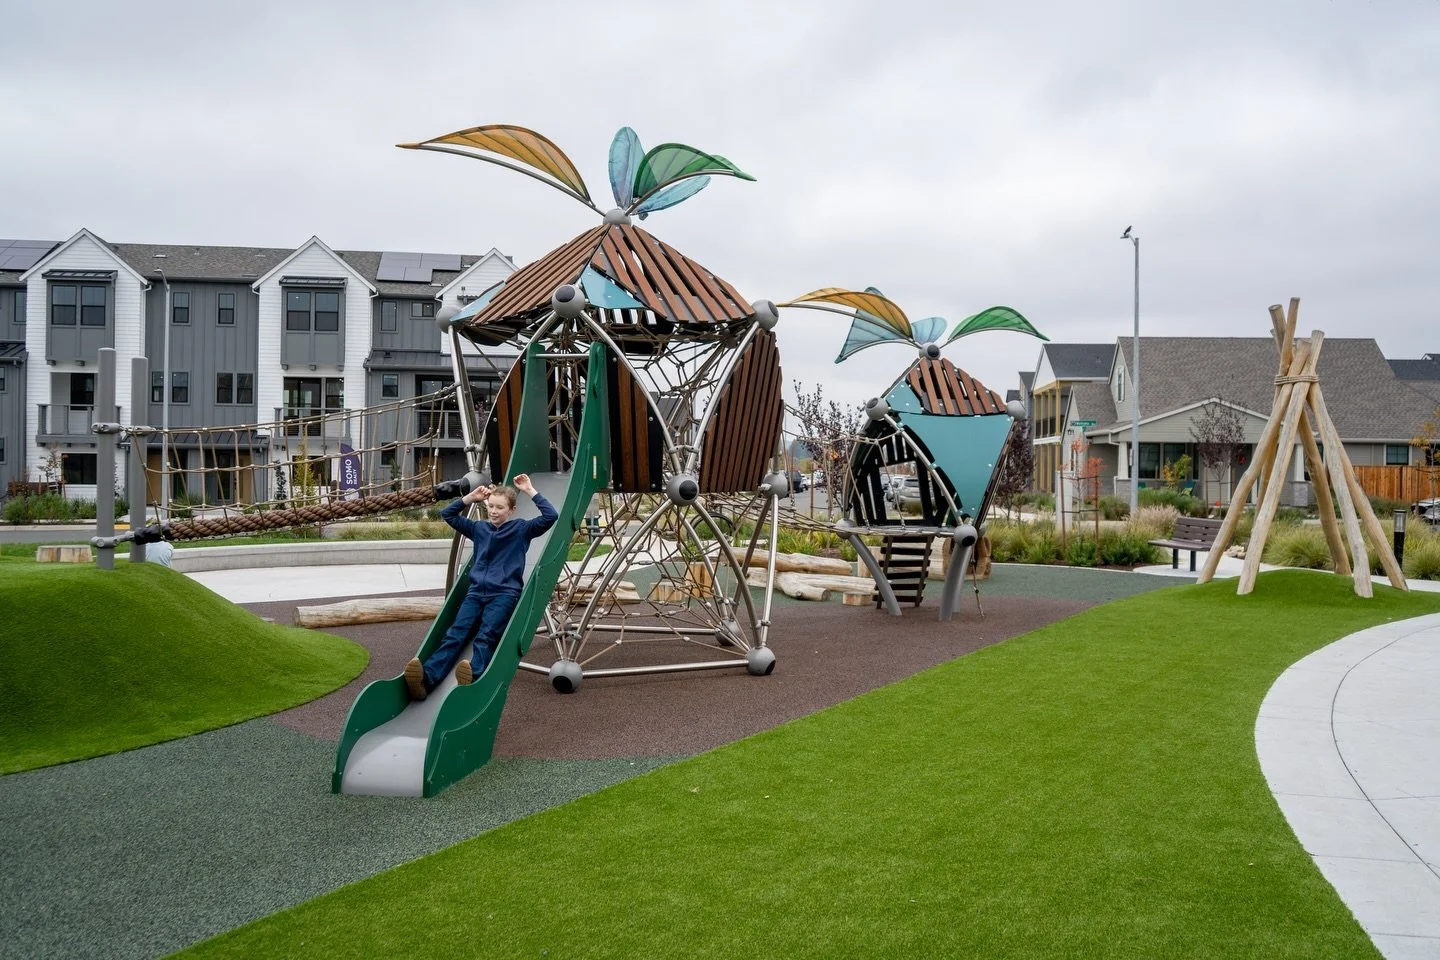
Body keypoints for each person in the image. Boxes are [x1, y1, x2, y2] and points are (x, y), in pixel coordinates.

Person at [404, 473, 556, 700]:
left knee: (486, 635)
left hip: (504, 594)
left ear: (511, 510)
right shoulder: (479, 529)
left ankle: (473, 676)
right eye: (491, 507)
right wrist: (470, 498)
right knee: (455, 634)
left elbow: (550, 515)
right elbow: (448, 514)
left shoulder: (521, 529)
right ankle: (427, 678)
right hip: (476, 592)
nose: (494, 511)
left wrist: (529, 490)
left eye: (500, 508)